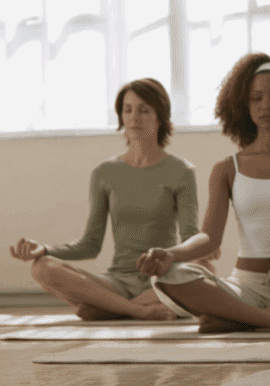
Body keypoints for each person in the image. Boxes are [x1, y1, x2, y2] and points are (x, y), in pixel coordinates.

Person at [136, 53, 270, 333]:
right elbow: (209, 238)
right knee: (168, 276)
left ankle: (236, 317)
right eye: (256, 98)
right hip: (245, 287)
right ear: (243, 105)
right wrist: (171, 254)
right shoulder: (227, 168)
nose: (266, 105)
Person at [9, 78, 207, 321]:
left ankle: (107, 308)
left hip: (161, 280)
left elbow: (190, 237)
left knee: (206, 270)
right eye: (128, 110)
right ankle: (136, 310)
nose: (134, 118)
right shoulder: (105, 173)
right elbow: (90, 245)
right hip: (116, 282)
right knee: (42, 267)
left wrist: (200, 251)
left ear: (161, 116)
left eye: (144, 110)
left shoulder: (182, 171)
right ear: (121, 117)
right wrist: (44, 249)